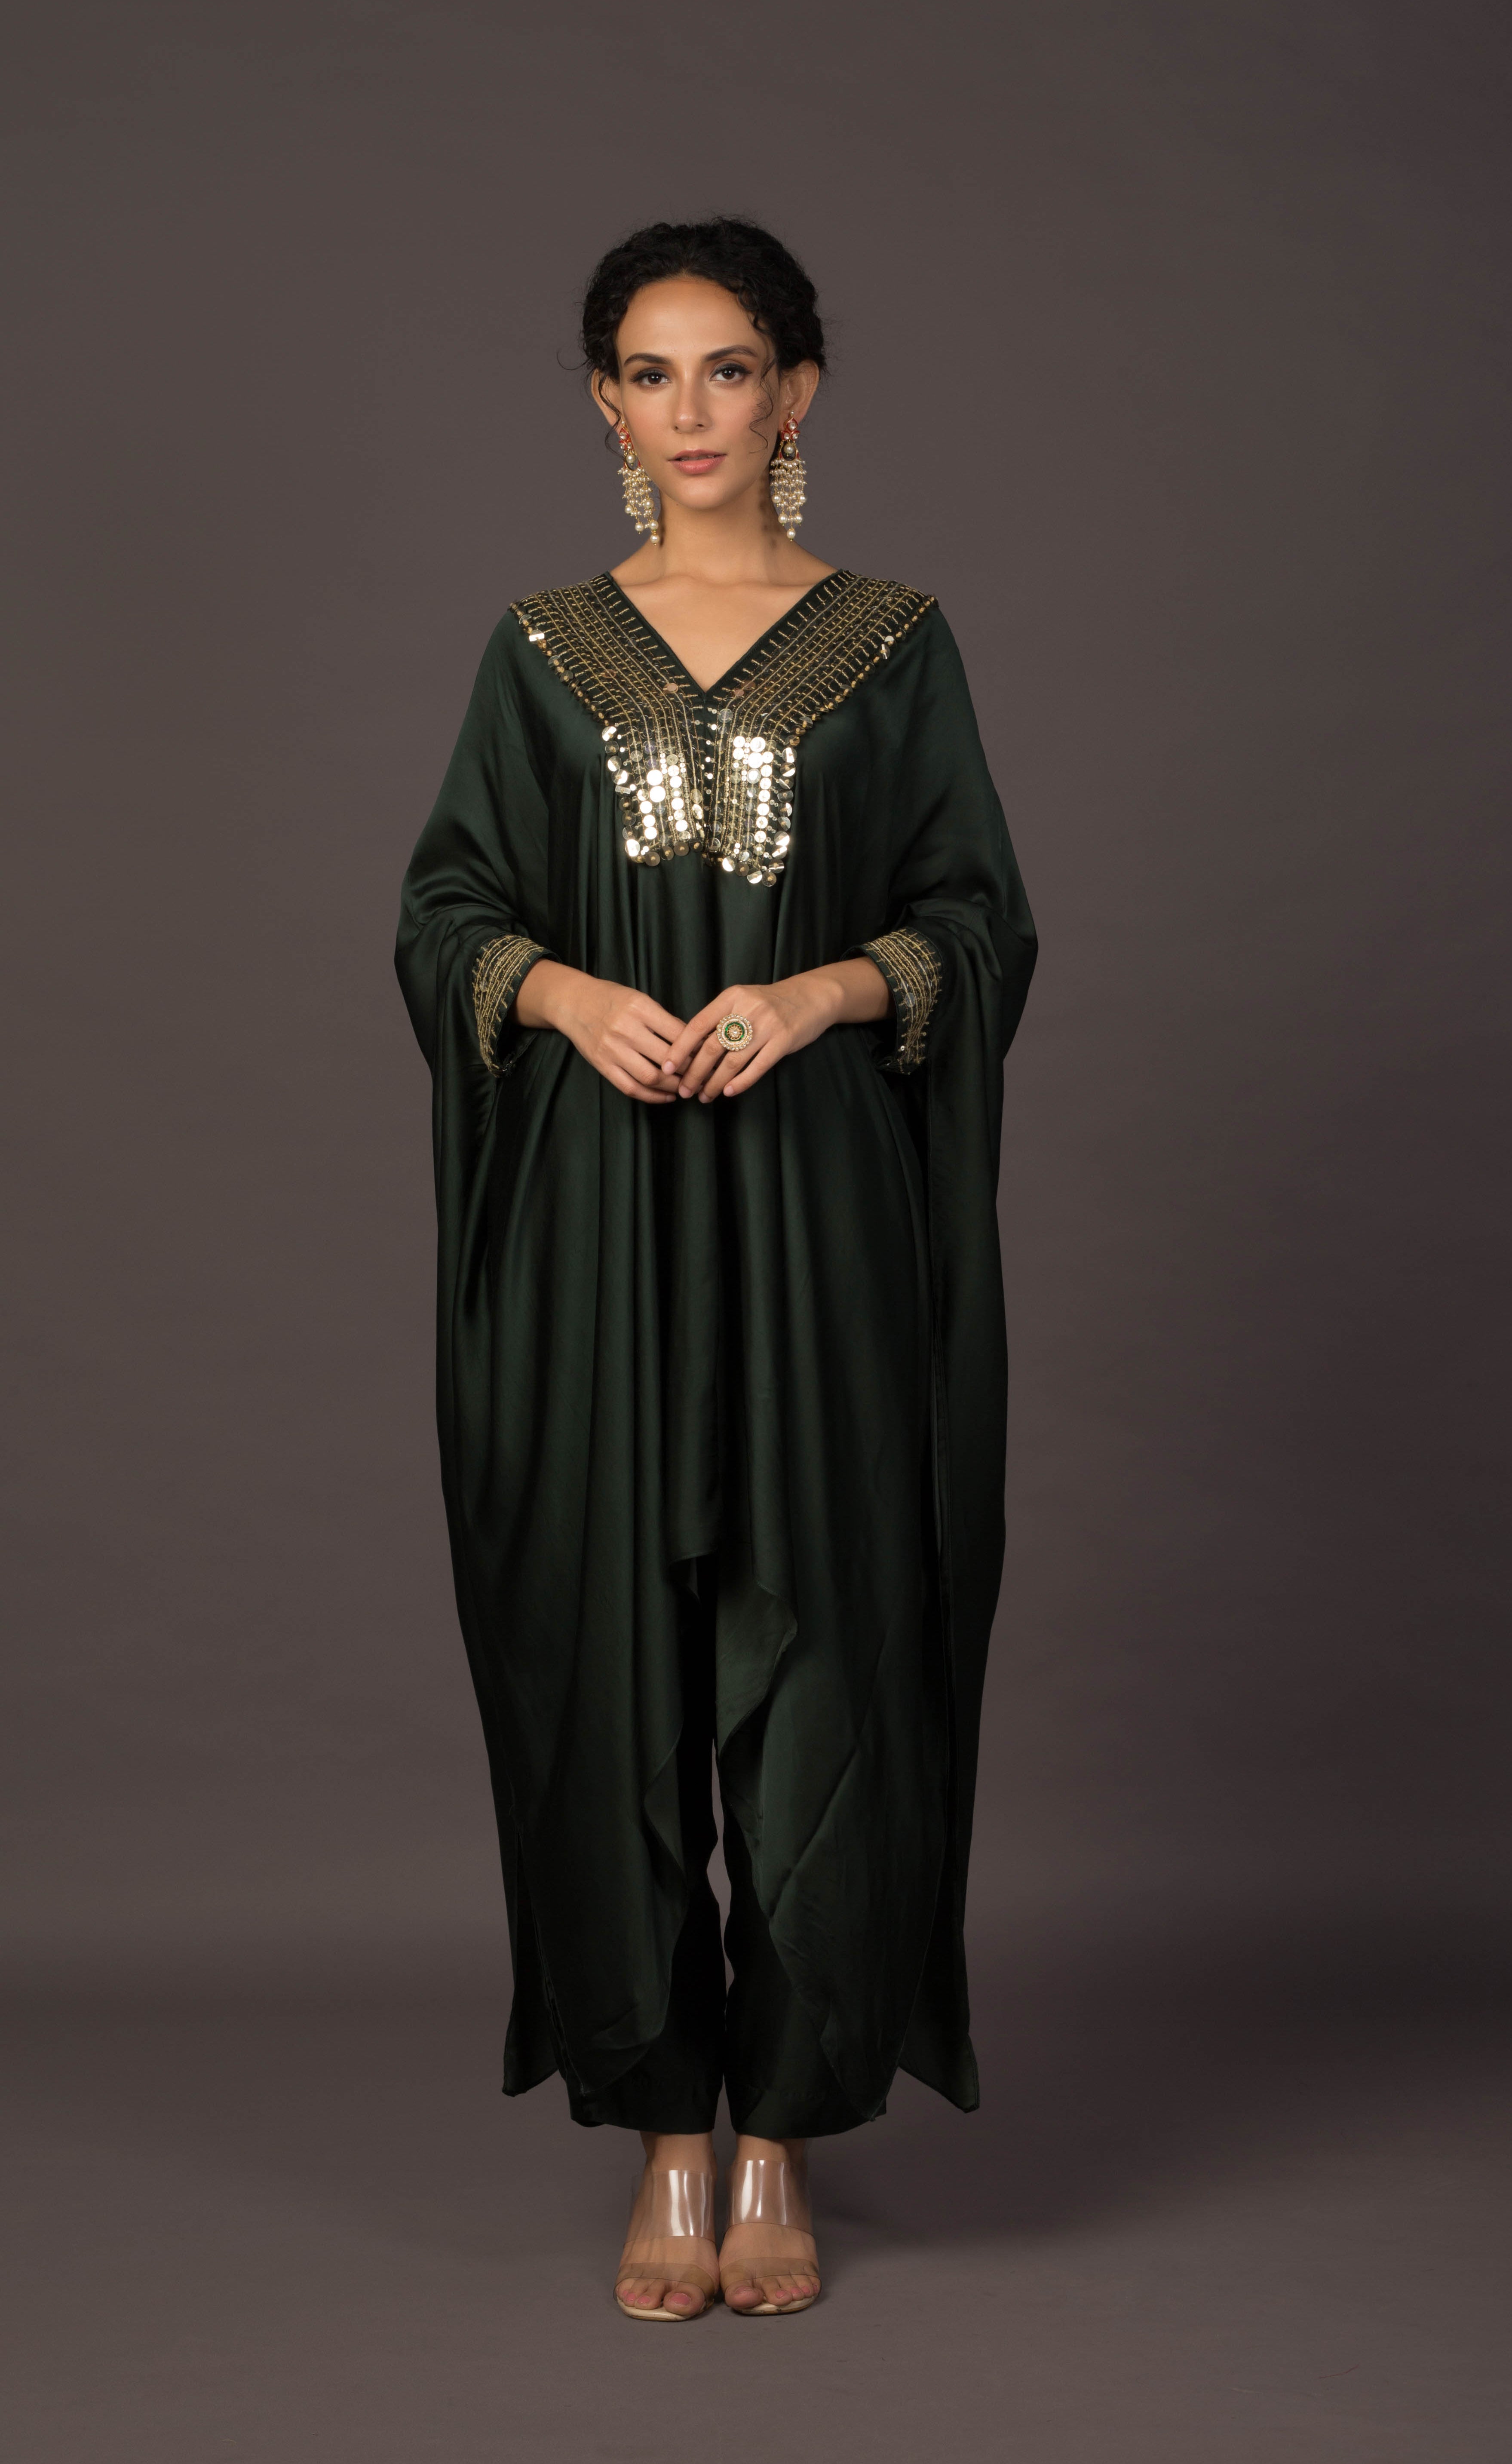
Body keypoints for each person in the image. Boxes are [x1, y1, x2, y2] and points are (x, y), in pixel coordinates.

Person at [395, 218, 1037, 2319]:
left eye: (731, 367)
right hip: (598, 1224)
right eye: (651, 373)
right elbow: (444, 910)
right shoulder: (541, 652)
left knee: (828, 1652)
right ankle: (669, 2128)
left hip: (816, 1224)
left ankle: (784, 2133)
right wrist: (566, 992)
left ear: (800, 389)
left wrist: (830, 989)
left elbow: (980, 916)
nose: (692, 412)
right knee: (606, 1665)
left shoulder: (892, 642)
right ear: (604, 399)